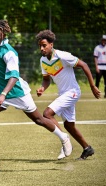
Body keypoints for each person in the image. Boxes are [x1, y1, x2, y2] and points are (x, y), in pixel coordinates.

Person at [0, 20, 73, 169]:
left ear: (3, 34)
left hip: (17, 92)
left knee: (39, 120)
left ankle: (63, 137)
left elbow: (14, 76)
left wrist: (3, 94)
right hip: (0, 92)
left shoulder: (9, 53)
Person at [35, 30, 101, 160]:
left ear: (51, 44)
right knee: (68, 126)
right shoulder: (43, 61)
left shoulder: (62, 56)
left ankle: (64, 140)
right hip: (63, 94)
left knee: (47, 114)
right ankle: (87, 148)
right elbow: (46, 79)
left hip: (72, 92)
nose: (42, 48)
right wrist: (42, 88)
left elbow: (84, 65)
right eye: (40, 46)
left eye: (44, 45)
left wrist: (92, 86)